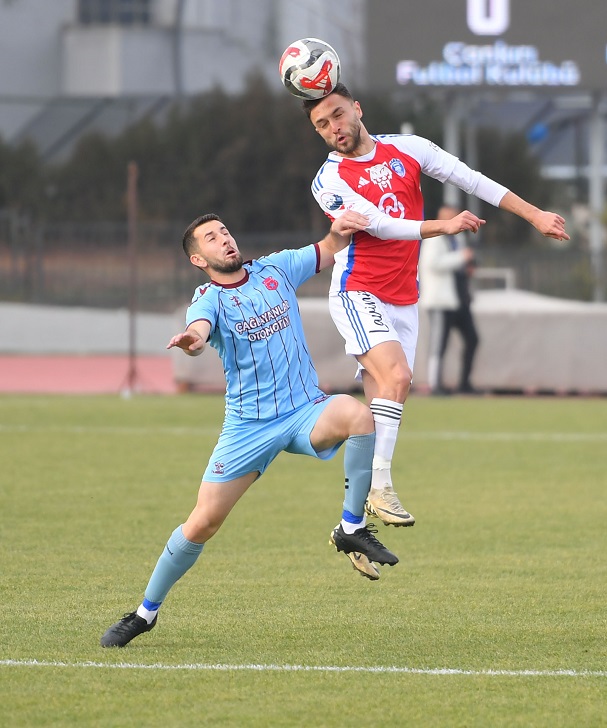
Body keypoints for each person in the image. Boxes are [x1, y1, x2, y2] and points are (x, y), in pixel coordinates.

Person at [100, 210, 402, 648]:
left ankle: (350, 528)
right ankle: (145, 613)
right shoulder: (207, 299)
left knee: (359, 416)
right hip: (248, 428)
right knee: (202, 523)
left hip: (306, 410)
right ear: (197, 259)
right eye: (211, 238)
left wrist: (339, 231)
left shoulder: (275, 268)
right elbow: (199, 329)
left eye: (224, 231)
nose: (224, 239)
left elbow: (329, 248)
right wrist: (193, 340)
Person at [302, 83, 569, 528]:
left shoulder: (409, 148)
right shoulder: (328, 180)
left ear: (357, 108)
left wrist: (535, 214)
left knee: (380, 410)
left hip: (404, 296)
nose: (334, 128)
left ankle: (352, 525)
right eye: (322, 124)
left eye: (338, 114)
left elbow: (471, 179)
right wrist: (441, 227)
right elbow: (381, 226)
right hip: (357, 290)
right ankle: (365, 476)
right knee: (398, 376)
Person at [419, 205, 480, 396]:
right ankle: (435, 384)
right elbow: (433, 263)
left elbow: (460, 263)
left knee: (472, 339)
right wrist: (461, 257)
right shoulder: (434, 238)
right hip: (441, 300)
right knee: (439, 343)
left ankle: (465, 383)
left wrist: (467, 266)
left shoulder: (458, 238)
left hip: (460, 298)